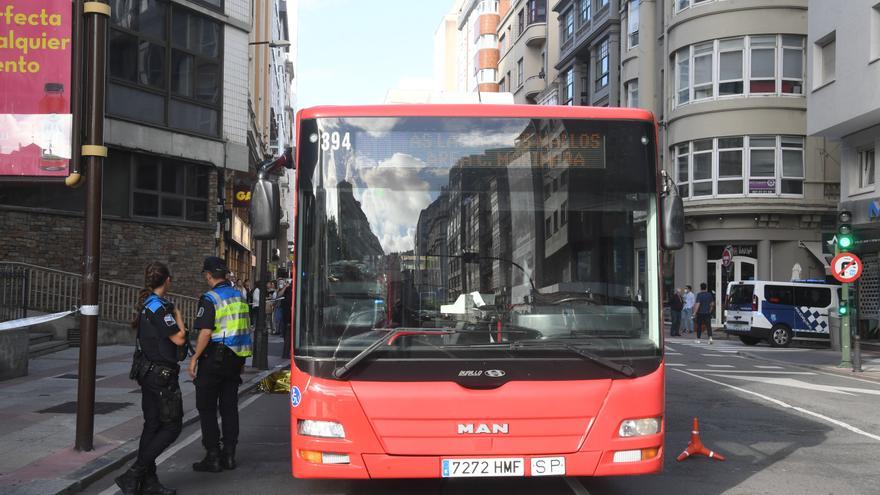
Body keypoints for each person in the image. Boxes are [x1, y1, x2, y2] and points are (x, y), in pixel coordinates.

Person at [116, 262, 186, 495]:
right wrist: (178, 315)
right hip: (160, 376)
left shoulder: (147, 304)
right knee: (172, 426)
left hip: (148, 373)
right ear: (167, 280)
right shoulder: (160, 308)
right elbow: (178, 339)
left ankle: (149, 482)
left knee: (152, 425)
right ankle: (134, 473)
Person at [189, 257, 253, 473]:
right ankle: (229, 455)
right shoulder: (240, 296)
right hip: (235, 359)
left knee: (206, 407)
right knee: (229, 408)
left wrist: (195, 357)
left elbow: (206, 332)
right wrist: (242, 360)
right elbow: (244, 330)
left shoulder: (210, 298)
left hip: (214, 359)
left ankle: (213, 456)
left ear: (208, 275)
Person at [279, 280, 292, 359]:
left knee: (288, 336)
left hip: (290, 316)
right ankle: (286, 353)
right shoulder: (287, 289)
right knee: (286, 335)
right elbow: (279, 295)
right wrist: (285, 287)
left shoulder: (293, 289)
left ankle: (286, 353)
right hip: (286, 316)